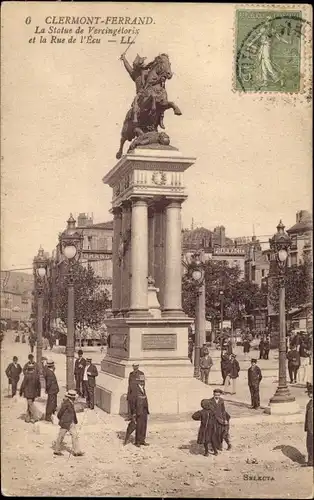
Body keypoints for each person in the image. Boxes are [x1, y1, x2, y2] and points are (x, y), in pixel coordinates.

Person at [54, 390, 84, 457]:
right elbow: (60, 413)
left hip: (70, 422)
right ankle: (57, 450)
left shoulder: (70, 403)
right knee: (61, 436)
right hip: (65, 422)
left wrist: (75, 421)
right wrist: (61, 419)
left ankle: (77, 451)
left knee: (74, 435)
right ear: (72, 398)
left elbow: (73, 413)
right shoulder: (66, 403)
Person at [124, 374, 149, 447]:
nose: (142, 382)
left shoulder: (143, 388)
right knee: (139, 426)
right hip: (138, 410)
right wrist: (134, 413)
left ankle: (142, 440)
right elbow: (133, 402)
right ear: (138, 382)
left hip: (144, 409)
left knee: (144, 426)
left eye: (143, 381)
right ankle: (137, 441)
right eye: (141, 381)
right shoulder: (135, 390)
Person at [208, 389, 229, 454]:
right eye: (216, 395)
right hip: (213, 419)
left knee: (220, 433)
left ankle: (219, 446)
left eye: (218, 395)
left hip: (220, 419)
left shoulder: (221, 400)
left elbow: (223, 411)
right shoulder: (210, 401)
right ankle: (213, 446)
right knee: (214, 433)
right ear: (213, 394)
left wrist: (225, 419)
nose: (217, 396)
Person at [304, 384, 313, 467]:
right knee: (309, 445)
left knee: (310, 445)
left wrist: (309, 429)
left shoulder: (311, 405)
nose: (309, 394)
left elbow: (310, 418)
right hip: (310, 429)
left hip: (311, 430)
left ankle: (311, 461)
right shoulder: (309, 403)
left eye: (310, 393)